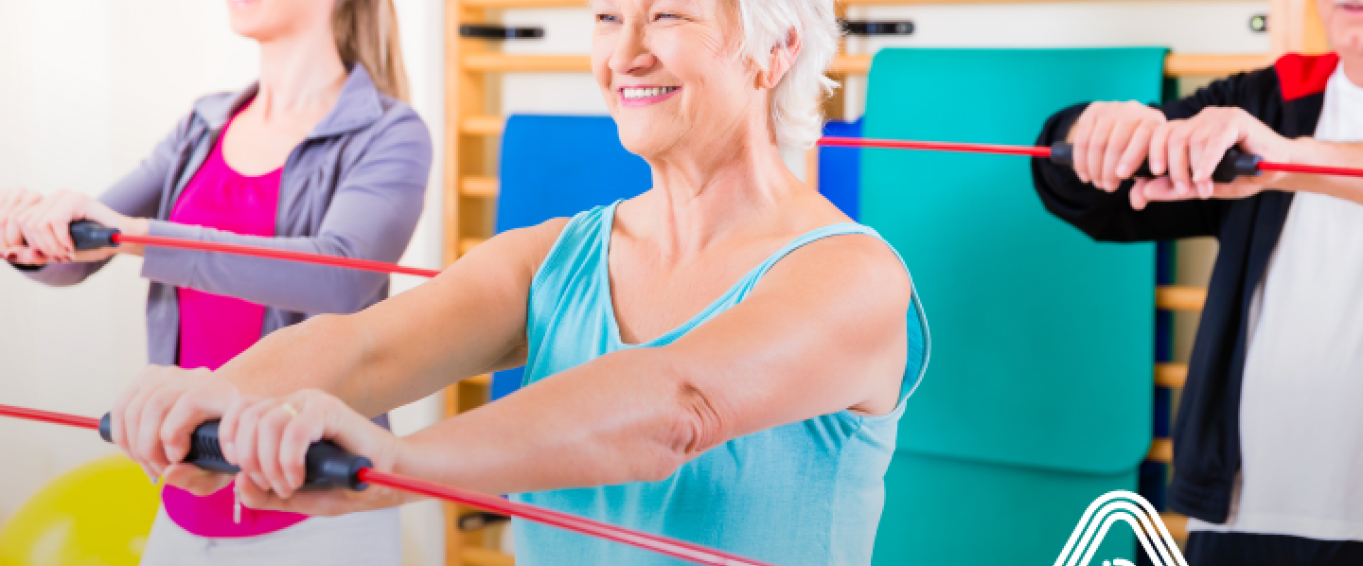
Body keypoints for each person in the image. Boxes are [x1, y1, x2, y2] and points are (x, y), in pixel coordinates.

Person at [106, 0, 929, 565]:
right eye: (608, 15)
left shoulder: (848, 276)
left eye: (670, 12)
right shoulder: (551, 255)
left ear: (775, 49)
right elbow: (364, 348)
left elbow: (675, 407)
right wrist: (212, 397)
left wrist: (397, 462)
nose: (626, 50)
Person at [0, 0, 431, 563]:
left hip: (317, 515)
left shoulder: (389, 132)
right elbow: (84, 251)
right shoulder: (202, 124)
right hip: (186, 504)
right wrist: (32, 237)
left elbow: (340, 275)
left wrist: (137, 236)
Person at [1031, 1, 1363, 564]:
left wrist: (1289, 159)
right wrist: (1090, 133)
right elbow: (1092, 197)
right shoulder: (1268, 98)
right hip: (1244, 516)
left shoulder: (1270, 129)